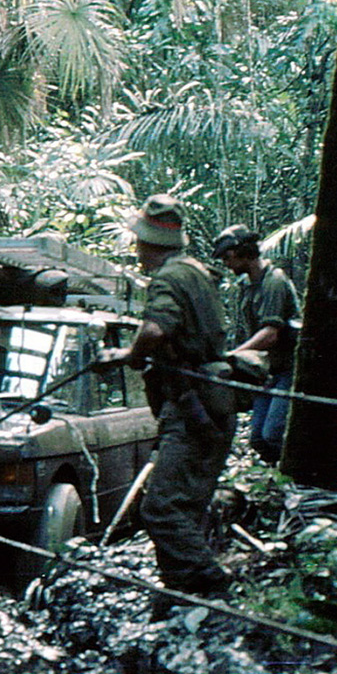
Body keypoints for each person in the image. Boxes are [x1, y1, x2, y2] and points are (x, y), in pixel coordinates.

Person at [120, 194, 236, 595]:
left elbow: (155, 330)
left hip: (192, 405)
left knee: (161, 509)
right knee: (185, 507)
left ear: (147, 244)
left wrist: (132, 356)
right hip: (210, 400)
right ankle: (178, 597)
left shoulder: (169, 278)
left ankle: (212, 583)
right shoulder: (197, 272)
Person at [214, 225, 300, 465]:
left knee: (273, 434)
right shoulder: (247, 286)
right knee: (258, 440)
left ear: (245, 253)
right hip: (266, 370)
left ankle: (295, 478)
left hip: (287, 369)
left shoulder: (274, 281)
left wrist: (233, 355)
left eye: (228, 258)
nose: (226, 264)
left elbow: (270, 334)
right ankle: (276, 480)